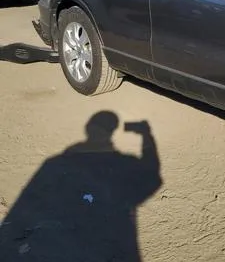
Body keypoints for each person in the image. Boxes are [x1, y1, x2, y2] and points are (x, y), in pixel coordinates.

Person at [0, 111, 162, 262]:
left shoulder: (56, 163)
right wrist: (146, 136)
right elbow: (152, 178)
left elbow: (27, 203)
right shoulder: (125, 163)